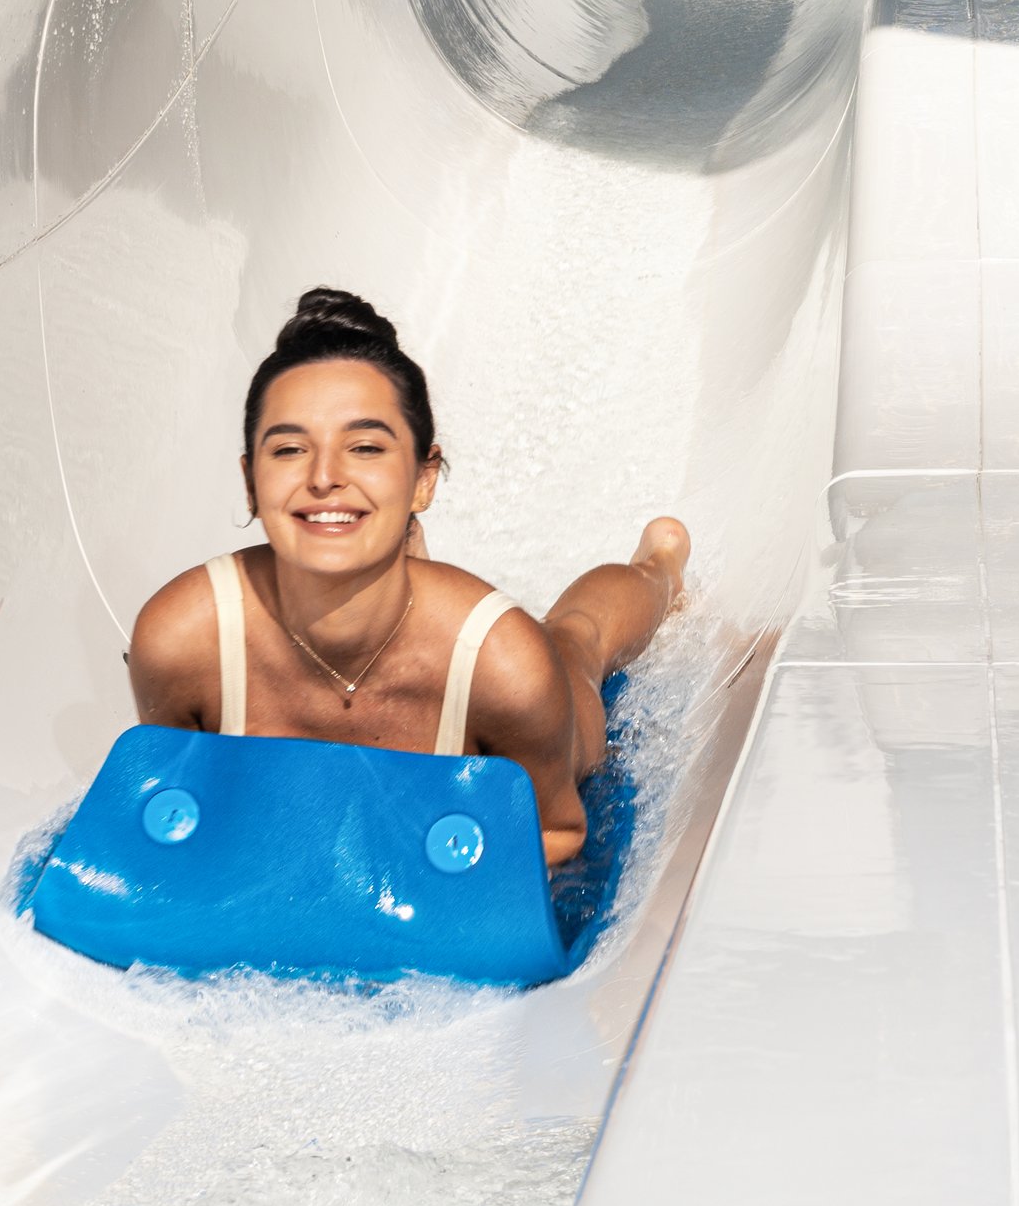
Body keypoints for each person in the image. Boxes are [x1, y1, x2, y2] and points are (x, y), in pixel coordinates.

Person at [123, 289, 684, 870]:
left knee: (572, 640)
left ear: (424, 478)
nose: (323, 477)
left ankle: (660, 565)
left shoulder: (504, 665)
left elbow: (557, 836)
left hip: (477, 679)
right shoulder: (183, 641)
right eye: (289, 449)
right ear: (249, 481)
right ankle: (390, 559)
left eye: (364, 447)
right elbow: (178, 816)